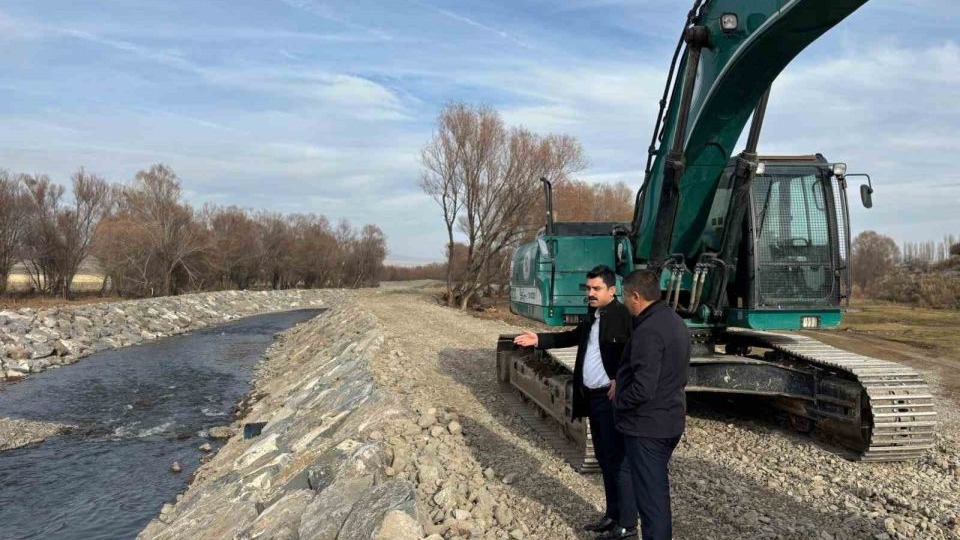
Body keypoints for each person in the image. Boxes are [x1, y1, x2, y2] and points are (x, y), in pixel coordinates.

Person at [514, 265, 637, 538]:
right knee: (604, 459)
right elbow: (572, 337)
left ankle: (627, 525)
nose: (590, 293)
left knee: (618, 461)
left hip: (610, 398)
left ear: (612, 290)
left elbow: (639, 352)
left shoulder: (624, 316)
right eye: (588, 288)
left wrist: (622, 379)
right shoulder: (592, 314)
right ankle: (612, 515)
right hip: (592, 397)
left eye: (596, 289)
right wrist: (539, 339)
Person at [615, 269, 690, 540]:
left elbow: (643, 388)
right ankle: (623, 522)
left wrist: (620, 401)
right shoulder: (674, 321)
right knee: (638, 477)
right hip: (670, 419)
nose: (624, 302)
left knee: (652, 500)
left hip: (648, 426)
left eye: (625, 296)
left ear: (636, 296)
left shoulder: (648, 330)